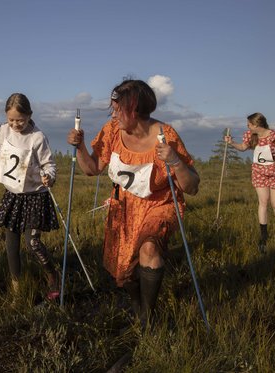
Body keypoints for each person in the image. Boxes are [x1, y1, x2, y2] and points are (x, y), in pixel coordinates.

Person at [67, 79, 200, 330]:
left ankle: (148, 319)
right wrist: (80, 147)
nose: (114, 114)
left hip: (160, 204)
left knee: (149, 249)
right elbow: (92, 168)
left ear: (136, 111)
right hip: (125, 207)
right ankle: (139, 307)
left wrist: (175, 161)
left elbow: (192, 187)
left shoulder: (166, 136)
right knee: (124, 270)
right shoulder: (112, 131)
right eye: (114, 109)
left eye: (119, 110)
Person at [0, 93, 60, 301]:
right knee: (11, 245)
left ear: (29, 115)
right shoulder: (3, 131)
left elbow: (50, 164)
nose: (16, 124)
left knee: (32, 244)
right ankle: (17, 287)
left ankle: (52, 274)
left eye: (20, 120)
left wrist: (49, 176)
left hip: (35, 196)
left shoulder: (37, 137)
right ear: (5, 116)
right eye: (11, 120)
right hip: (13, 196)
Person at [224, 112, 275, 253]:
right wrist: (231, 143)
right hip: (259, 172)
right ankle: (264, 236)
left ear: (256, 125)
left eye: (249, 124)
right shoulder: (251, 135)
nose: (247, 127)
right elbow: (243, 147)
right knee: (263, 202)